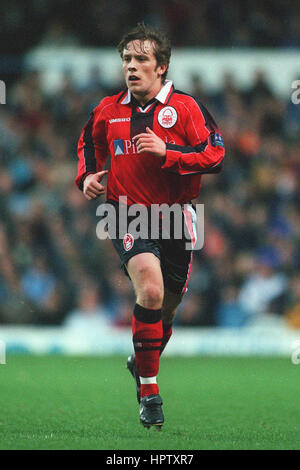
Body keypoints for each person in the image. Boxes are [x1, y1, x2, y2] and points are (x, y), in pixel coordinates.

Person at [75, 23, 225, 429]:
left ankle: (141, 360)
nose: (132, 66)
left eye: (142, 59)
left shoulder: (186, 108)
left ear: (161, 67)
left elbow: (214, 153)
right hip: (126, 214)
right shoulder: (108, 109)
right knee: (152, 289)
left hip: (177, 217)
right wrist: (88, 176)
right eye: (127, 59)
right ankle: (150, 392)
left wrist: (170, 152)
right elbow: (90, 145)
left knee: (168, 309)